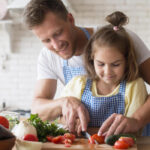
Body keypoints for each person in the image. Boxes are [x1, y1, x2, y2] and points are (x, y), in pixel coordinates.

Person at [23, 0, 150, 135]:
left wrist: (136, 120)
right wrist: (64, 103)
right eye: (46, 40)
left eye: (58, 33)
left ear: (70, 19)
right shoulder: (47, 57)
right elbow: (37, 109)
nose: (55, 45)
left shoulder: (119, 38)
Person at [60, 11, 150, 136]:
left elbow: (132, 131)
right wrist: (73, 121)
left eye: (116, 64)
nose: (107, 72)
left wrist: (90, 131)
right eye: (101, 64)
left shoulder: (134, 86)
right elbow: (61, 118)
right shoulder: (78, 83)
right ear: (92, 59)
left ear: (127, 61)